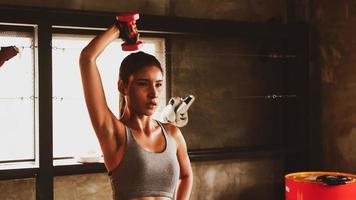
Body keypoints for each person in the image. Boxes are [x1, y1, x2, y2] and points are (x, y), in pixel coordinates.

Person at [79, 22, 193, 200]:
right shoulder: (114, 133)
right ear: (123, 86)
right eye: (143, 84)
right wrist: (119, 28)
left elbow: (186, 176)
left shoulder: (172, 133)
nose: (154, 93)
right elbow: (87, 58)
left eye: (158, 84)